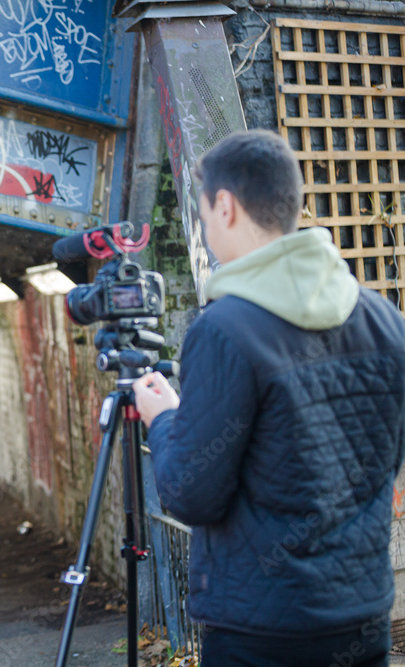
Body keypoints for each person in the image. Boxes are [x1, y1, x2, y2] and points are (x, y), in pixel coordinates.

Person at [132, 130, 405, 666]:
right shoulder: (383, 319)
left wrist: (164, 418)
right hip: (363, 615)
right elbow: (386, 459)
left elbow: (191, 494)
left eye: (205, 213)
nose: (206, 229)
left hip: (262, 628)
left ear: (226, 207)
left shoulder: (226, 329)